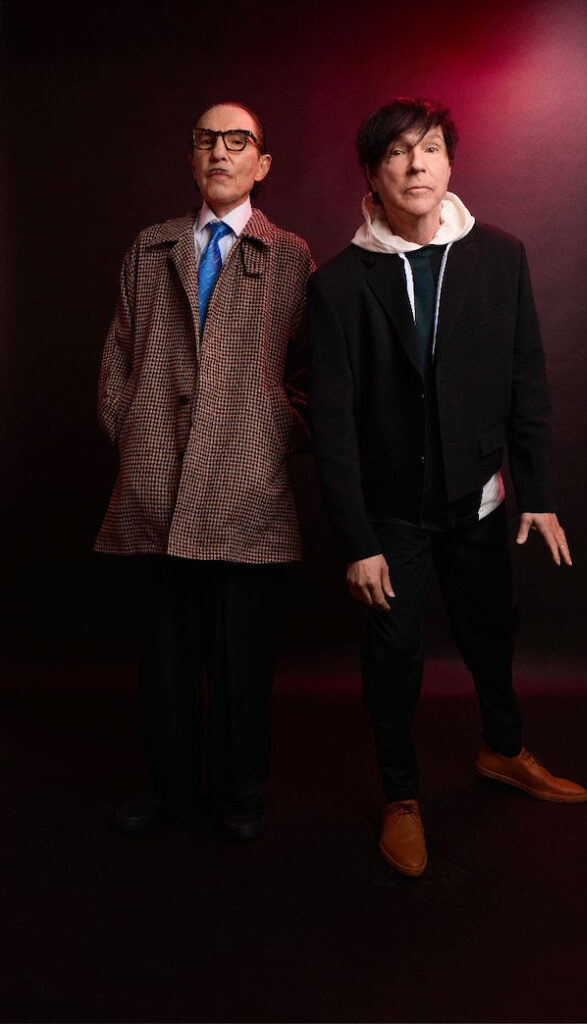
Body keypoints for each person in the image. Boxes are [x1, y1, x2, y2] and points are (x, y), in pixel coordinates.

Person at [308, 97, 587, 878]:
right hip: (391, 514)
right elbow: (331, 426)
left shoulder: (499, 255)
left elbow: (526, 381)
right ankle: (400, 796)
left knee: (491, 632)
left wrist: (537, 494)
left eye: (428, 148)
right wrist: (357, 541)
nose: (415, 164)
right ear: (371, 175)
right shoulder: (338, 285)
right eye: (396, 153)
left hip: (478, 499)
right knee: (393, 655)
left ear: (449, 162)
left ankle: (504, 750)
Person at [96, 101, 314, 839]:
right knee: (163, 655)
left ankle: (240, 795)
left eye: (237, 140)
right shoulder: (150, 247)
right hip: (157, 482)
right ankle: (166, 789)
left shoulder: (289, 255)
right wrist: (135, 431)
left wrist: (271, 435)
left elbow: (310, 372)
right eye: (205, 140)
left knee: (242, 657)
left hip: (249, 489)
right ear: (191, 158)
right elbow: (117, 357)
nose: (220, 152)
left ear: (262, 162)